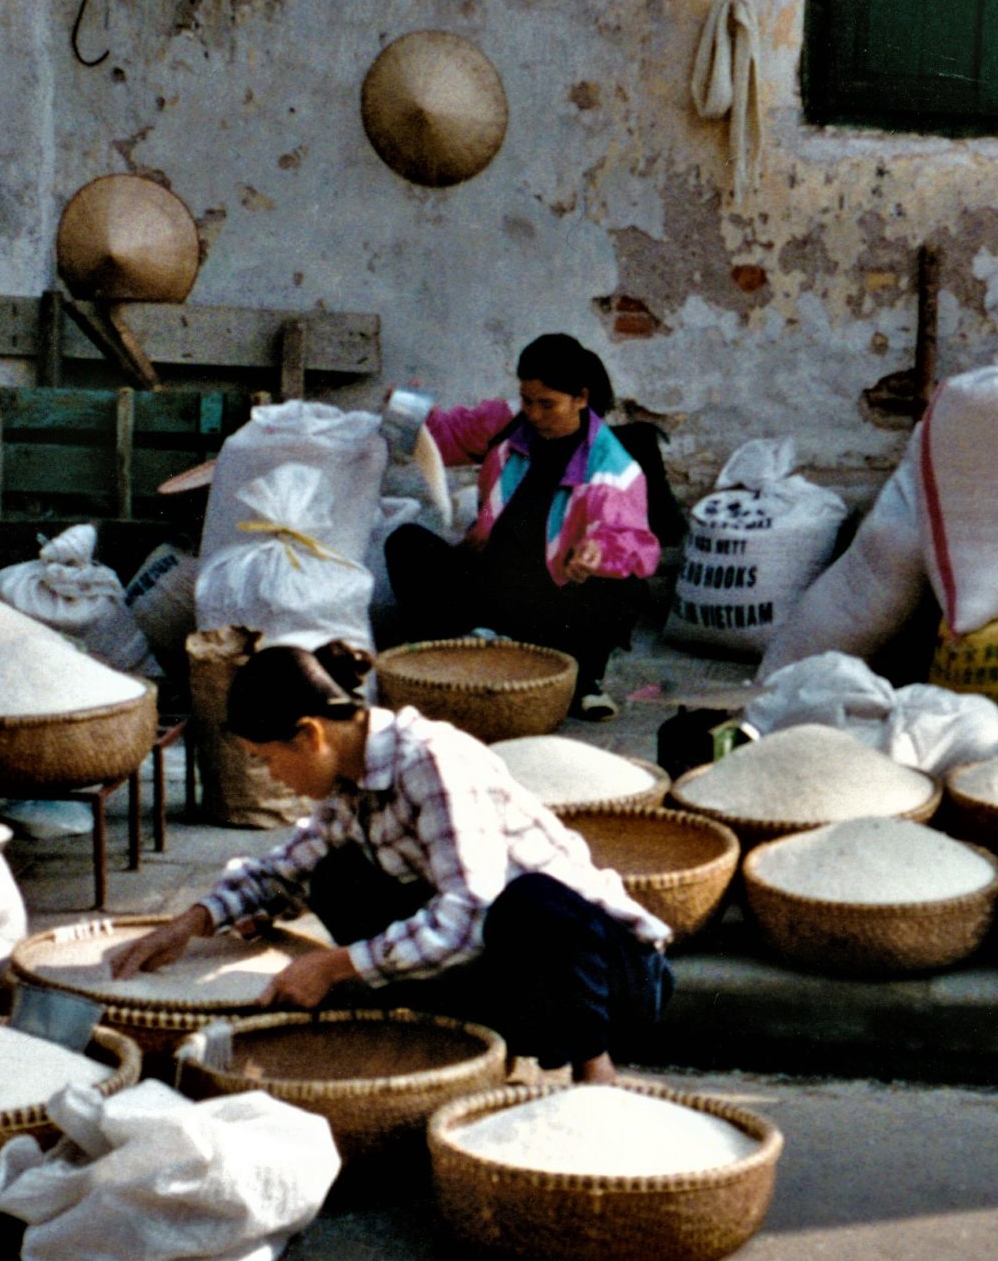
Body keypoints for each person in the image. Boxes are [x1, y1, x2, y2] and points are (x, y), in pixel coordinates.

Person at [108, 644, 673, 1082]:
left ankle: (595, 1070)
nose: (273, 776)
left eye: (268, 759)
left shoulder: (432, 761)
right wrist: (193, 922)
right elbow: (286, 869)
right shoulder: (347, 781)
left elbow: (469, 912)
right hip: (512, 970)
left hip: (603, 981)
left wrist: (334, 966)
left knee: (530, 901)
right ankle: (460, 1038)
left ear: (309, 735)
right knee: (335, 878)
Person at [383, 334, 663, 721]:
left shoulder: (611, 465)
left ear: (581, 398)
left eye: (547, 404)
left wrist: (596, 552)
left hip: (555, 602)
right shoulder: (508, 425)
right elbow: (441, 439)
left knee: (622, 585)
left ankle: (580, 679)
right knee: (406, 543)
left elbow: (628, 536)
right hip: (493, 584)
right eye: (527, 400)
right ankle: (456, 652)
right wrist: (406, 412)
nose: (533, 414)